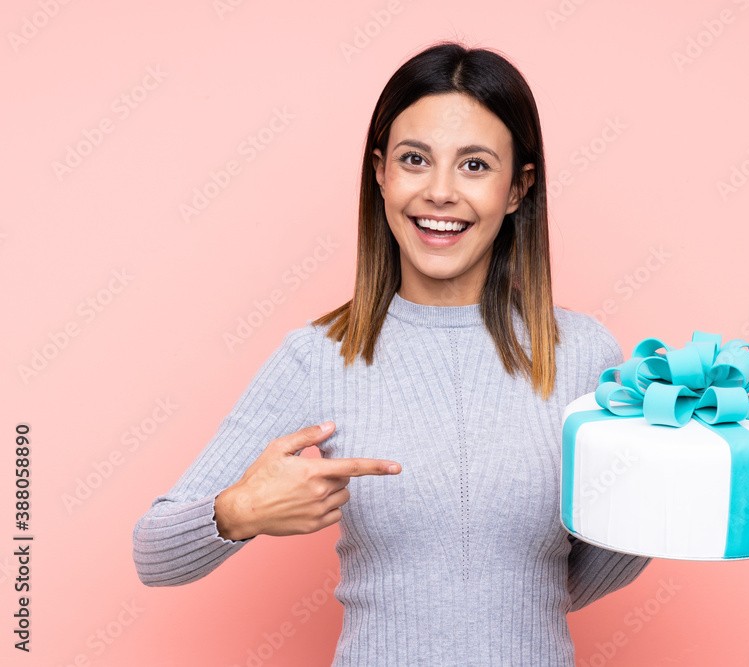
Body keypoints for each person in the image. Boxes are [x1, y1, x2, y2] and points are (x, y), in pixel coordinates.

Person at [132, 40, 652, 666]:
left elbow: (608, 554)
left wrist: (670, 478)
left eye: (475, 165)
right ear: (380, 173)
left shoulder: (585, 355)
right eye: (414, 159)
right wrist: (241, 511)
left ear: (518, 188)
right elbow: (152, 553)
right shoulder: (320, 357)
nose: (440, 192)